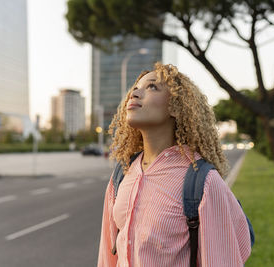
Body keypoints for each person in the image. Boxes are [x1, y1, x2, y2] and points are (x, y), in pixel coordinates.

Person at [97, 63, 251, 266]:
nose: (135, 93)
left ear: (176, 108)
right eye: (135, 88)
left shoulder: (203, 182)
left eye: (152, 87)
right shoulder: (122, 175)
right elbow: (107, 259)